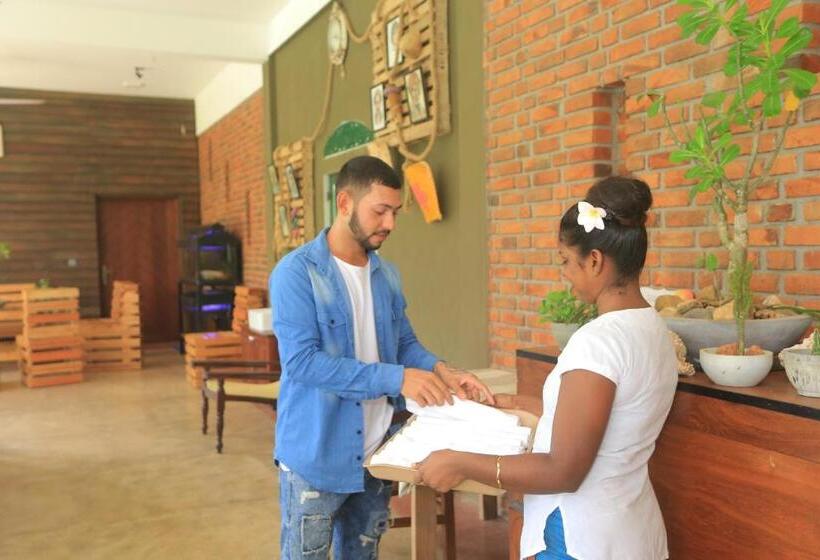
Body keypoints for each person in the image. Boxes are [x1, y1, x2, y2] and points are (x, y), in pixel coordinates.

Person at [417, 176, 679, 559]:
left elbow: (562, 471)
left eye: (566, 261)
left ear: (594, 261)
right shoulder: (653, 328)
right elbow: (602, 421)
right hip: (630, 531)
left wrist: (460, 462)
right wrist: (510, 403)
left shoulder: (598, 342)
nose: (564, 273)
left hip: (580, 539)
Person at [269, 155, 493, 560]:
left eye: (395, 212)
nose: (390, 223)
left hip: (376, 455)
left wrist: (442, 370)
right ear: (344, 203)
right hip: (315, 458)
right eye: (380, 211)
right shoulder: (296, 273)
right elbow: (302, 363)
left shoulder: (386, 274)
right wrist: (397, 378)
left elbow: (403, 343)